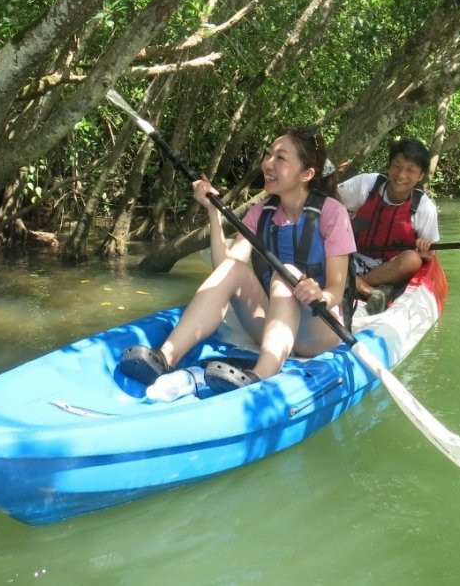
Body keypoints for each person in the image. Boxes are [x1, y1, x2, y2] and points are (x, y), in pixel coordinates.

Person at [120, 127, 356, 394]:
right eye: (269, 154)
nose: (268, 163)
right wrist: (213, 213)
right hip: (273, 329)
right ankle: (165, 357)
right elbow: (225, 269)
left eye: (280, 158)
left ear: (307, 174)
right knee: (236, 268)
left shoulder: (332, 213)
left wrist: (320, 294)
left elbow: (336, 290)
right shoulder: (261, 212)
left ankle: (260, 375)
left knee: (286, 273)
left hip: (319, 331)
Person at [336, 137, 439, 314]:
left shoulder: (424, 207)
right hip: (350, 257)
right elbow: (331, 203)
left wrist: (426, 250)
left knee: (413, 260)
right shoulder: (367, 184)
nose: (401, 175)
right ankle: (362, 288)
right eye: (397, 166)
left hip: (387, 268)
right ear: (389, 166)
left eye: (410, 170)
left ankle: (356, 284)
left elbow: (431, 254)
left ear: (421, 176)